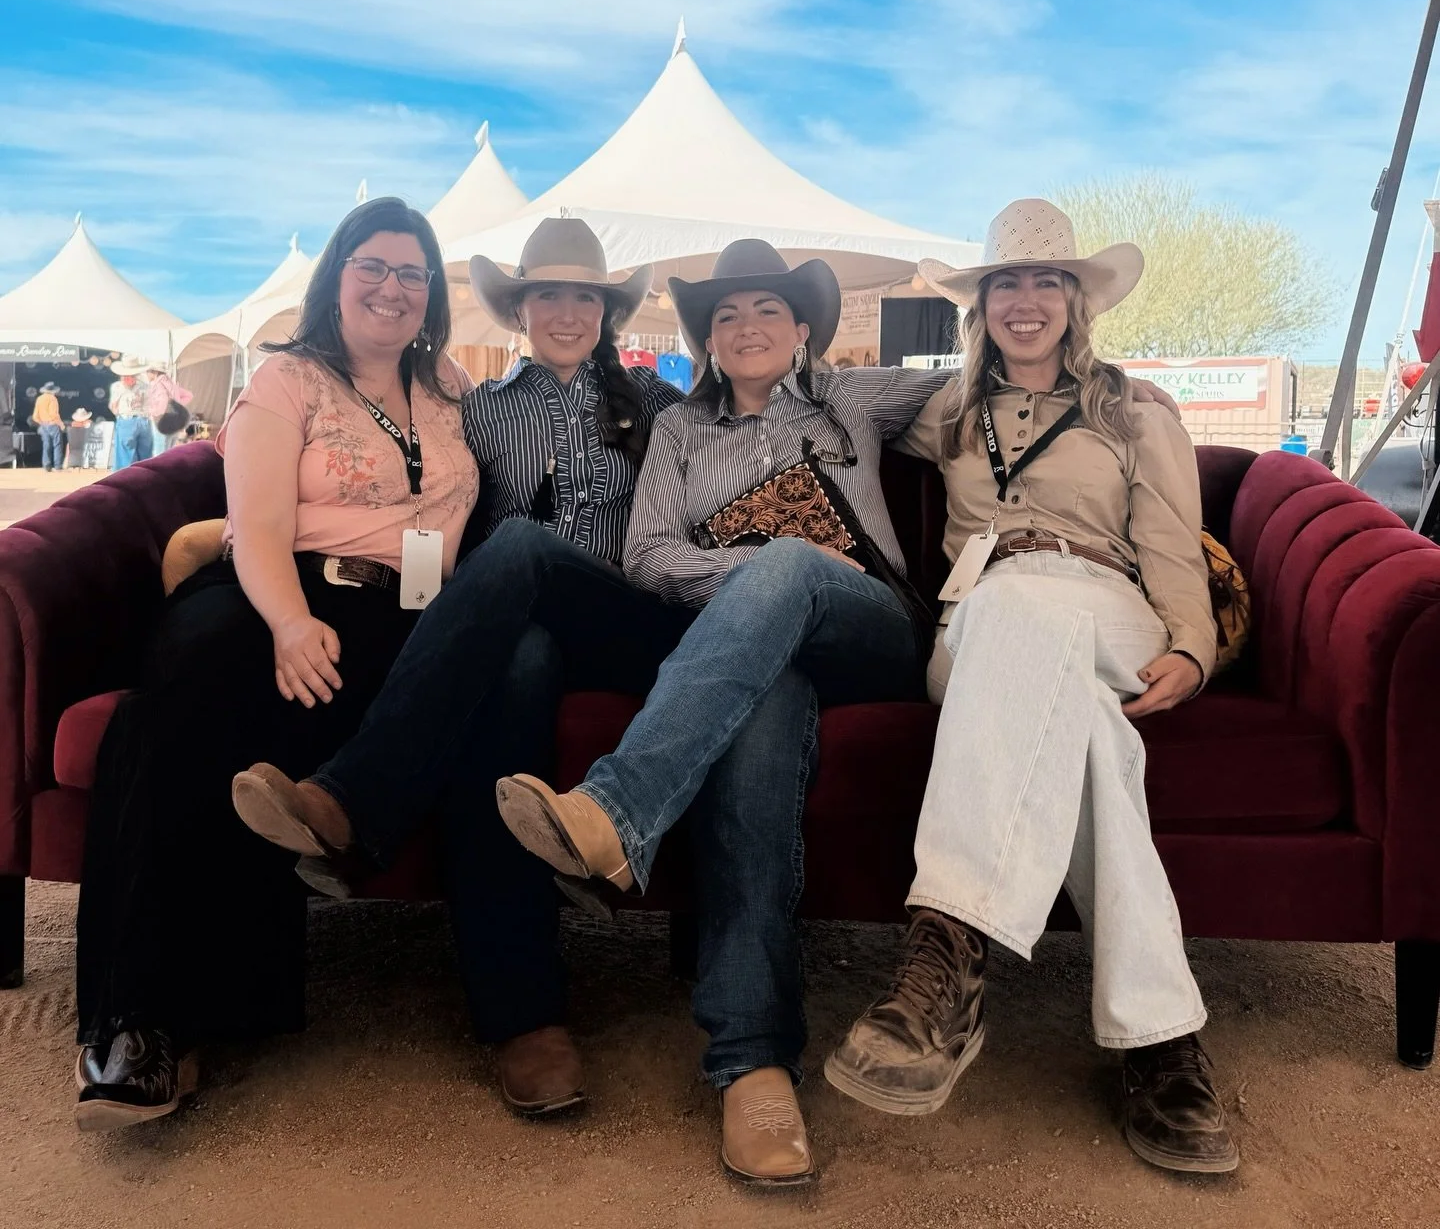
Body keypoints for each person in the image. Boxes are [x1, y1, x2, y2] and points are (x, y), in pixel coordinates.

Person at [494, 238, 1185, 1187]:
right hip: (755, 641)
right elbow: (649, 553)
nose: (746, 327)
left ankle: (619, 808)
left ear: (806, 329)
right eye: (726, 315)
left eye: (768, 311)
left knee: (789, 568)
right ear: (703, 336)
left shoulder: (858, 399)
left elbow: (990, 380)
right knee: (764, 689)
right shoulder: (680, 433)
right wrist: (762, 579)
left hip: (875, 632)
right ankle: (752, 1060)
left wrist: (1125, 391)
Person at [229, 217, 692, 1117]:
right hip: (531, 627)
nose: (566, 312)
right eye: (546, 295)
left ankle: (351, 799)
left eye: (584, 297)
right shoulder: (471, 405)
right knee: (513, 665)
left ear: (606, 311)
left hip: (626, 616)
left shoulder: (659, 403)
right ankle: (524, 1015)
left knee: (519, 547)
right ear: (519, 311)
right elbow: (416, 498)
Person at [823, 199, 1238, 1175]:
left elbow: (1174, 547)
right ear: (980, 304)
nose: (1024, 300)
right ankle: (1160, 1040)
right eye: (1005, 282)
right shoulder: (946, 410)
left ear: (1075, 300)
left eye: (1045, 282)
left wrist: (1190, 646)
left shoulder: (1135, 411)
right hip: (982, 611)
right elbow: (831, 401)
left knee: (1044, 617)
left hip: (1107, 603)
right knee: (1083, 716)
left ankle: (948, 955)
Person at [73, 196, 478, 1130]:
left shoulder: (454, 387)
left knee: (218, 728)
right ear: (336, 276)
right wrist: (291, 623)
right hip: (269, 589)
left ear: (432, 296)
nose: (391, 287)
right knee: (182, 699)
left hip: (398, 616)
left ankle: (203, 1011)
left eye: (411, 273)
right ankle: (135, 1025)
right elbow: (253, 525)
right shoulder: (286, 380)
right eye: (371, 266)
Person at [108, 358, 154, 468]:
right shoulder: (146, 385)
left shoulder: (118, 386)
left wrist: (119, 415)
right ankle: (144, 478)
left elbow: (114, 407)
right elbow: (150, 404)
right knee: (145, 455)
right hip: (144, 420)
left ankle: (127, 479)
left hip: (127, 420)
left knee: (126, 456)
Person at [145, 363, 194, 451]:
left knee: (160, 451)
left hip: (161, 421)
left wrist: (154, 412)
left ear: (155, 372)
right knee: (169, 450)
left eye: (148, 372)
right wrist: (176, 405)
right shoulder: (171, 384)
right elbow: (189, 395)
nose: (146, 374)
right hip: (174, 422)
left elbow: (163, 400)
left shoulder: (158, 385)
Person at [31, 381, 64, 471]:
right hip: (53, 424)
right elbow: (54, 414)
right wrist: (61, 424)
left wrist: (41, 423)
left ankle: (47, 465)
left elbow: (35, 416)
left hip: (43, 425)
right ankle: (57, 466)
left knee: (46, 445)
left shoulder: (39, 399)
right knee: (57, 444)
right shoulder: (52, 399)